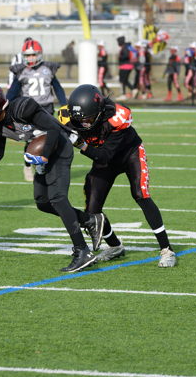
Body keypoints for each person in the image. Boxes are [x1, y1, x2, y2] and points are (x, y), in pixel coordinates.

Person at [0, 82, 104, 273]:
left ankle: (82, 251)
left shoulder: (22, 108)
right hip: (41, 154)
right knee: (43, 202)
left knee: (58, 198)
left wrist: (45, 157)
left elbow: (54, 129)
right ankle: (89, 220)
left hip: (58, 148)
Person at [60, 84, 178, 267]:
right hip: (103, 158)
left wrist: (80, 144)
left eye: (88, 119)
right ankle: (115, 246)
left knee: (141, 194)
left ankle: (167, 249)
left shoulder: (116, 117)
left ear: (99, 111)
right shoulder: (67, 116)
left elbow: (105, 156)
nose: (84, 123)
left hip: (129, 154)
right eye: (79, 119)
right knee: (92, 210)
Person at [7, 38, 67, 182]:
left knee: (49, 137)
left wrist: (64, 104)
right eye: (27, 55)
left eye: (33, 55)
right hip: (28, 110)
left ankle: (42, 164)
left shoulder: (48, 69)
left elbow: (58, 88)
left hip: (46, 108)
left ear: (39, 54)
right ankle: (28, 165)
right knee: (31, 138)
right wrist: (6, 103)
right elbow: (13, 91)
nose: (30, 58)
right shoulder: (21, 71)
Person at [116, 35, 135, 100]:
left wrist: (120, 57)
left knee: (122, 80)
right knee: (125, 80)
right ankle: (133, 89)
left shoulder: (125, 47)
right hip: (127, 66)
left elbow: (126, 55)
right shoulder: (127, 46)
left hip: (125, 66)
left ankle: (123, 94)